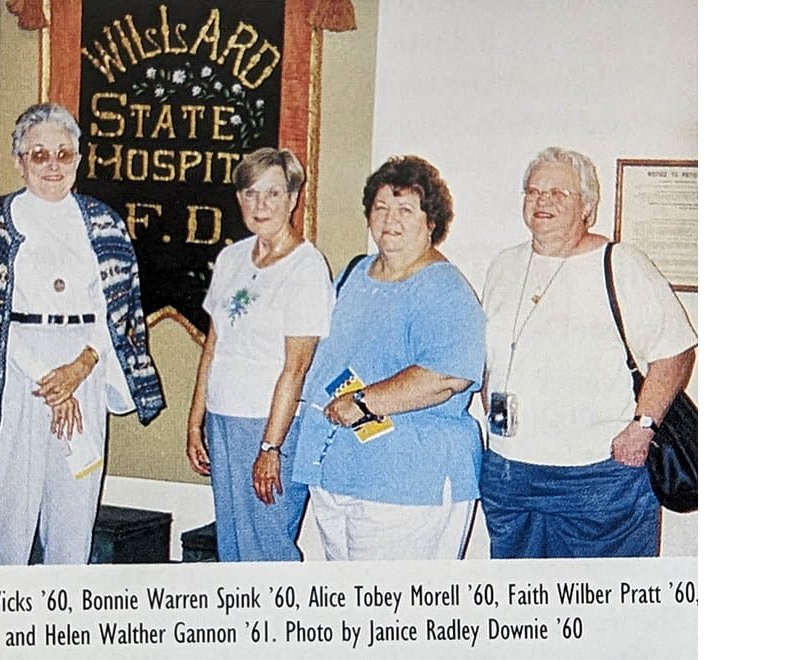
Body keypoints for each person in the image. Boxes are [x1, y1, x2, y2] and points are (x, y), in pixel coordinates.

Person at [0, 102, 164, 565]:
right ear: (19, 160)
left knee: (73, 515)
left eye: (63, 154)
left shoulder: (103, 222)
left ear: (79, 159)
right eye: (39, 155)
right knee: (7, 520)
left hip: (86, 366)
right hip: (14, 372)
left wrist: (79, 369)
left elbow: (117, 311)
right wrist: (51, 383)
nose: (53, 165)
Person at [479, 147, 697, 558]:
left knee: (606, 609)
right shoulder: (503, 266)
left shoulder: (620, 263)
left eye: (559, 193)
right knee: (521, 610)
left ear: (588, 207)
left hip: (597, 476)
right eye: (533, 191)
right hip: (511, 472)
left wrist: (643, 426)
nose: (542, 201)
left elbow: (676, 350)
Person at [291, 155, 486, 561]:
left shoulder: (444, 289)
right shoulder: (353, 274)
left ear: (431, 221)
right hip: (338, 473)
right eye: (380, 207)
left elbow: (446, 377)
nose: (389, 219)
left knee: (395, 611)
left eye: (405, 209)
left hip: (408, 483)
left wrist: (362, 404)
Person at [185, 147, 334, 561]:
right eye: (250, 193)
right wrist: (196, 422)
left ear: (293, 198)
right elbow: (213, 345)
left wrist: (270, 448)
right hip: (224, 419)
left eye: (273, 193)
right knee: (232, 543)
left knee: (266, 546)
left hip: (271, 425)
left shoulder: (306, 268)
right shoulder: (231, 258)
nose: (260, 205)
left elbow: (297, 367)